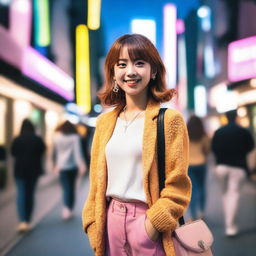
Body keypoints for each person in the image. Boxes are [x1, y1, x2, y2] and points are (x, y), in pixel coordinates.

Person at [82, 34, 191, 256]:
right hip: (110, 222)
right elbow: (95, 183)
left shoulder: (170, 120)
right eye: (121, 64)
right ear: (113, 73)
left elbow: (178, 184)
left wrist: (152, 226)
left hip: (148, 223)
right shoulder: (104, 122)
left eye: (139, 63)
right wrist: (93, 224)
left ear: (153, 71)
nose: (130, 71)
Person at [211, 110, 255, 237]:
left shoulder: (218, 132)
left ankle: (228, 222)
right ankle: (230, 226)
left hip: (221, 167)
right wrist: (250, 168)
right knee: (233, 195)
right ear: (236, 117)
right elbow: (251, 149)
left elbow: (213, 149)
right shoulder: (243, 131)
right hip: (238, 168)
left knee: (225, 195)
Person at [11, 119, 46, 232]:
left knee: (21, 194)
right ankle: (28, 220)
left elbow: (13, 152)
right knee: (30, 194)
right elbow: (43, 150)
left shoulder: (17, 139)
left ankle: (22, 221)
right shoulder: (37, 139)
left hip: (19, 171)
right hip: (33, 171)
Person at [53, 120, 86, 220]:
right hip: (72, 167)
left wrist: (55, 165)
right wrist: (81, 164)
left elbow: (55, 153)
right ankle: (69, 208)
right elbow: (77, 152)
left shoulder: (57, 138)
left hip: (61, 167)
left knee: (65, 188)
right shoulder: (75, 137)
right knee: (71, 188)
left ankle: (66, 208)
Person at [187, 115, 210, 220]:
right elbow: (207, 150)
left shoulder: (185, 135)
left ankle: (193, 215)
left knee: (192, 190)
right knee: (202, 188)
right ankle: (202, 212)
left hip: (189, 164)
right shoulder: (204, 136)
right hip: (201, 163)